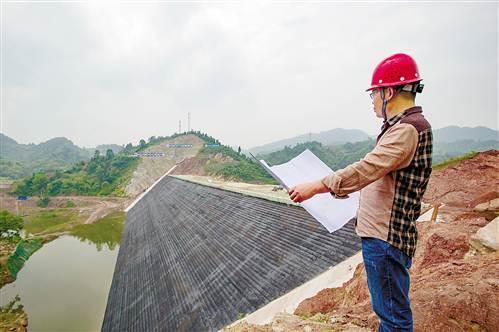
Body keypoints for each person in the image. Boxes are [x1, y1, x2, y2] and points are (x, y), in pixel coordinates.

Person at [288, 53, 433, 331]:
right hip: (383, 236)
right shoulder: (401, 128)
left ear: (389, 92)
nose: (373, 102)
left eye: (374, 95)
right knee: (390, 313)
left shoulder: (406, 131)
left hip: (385, 239)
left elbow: (366, 168)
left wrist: (317, 186)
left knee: (393, 318)